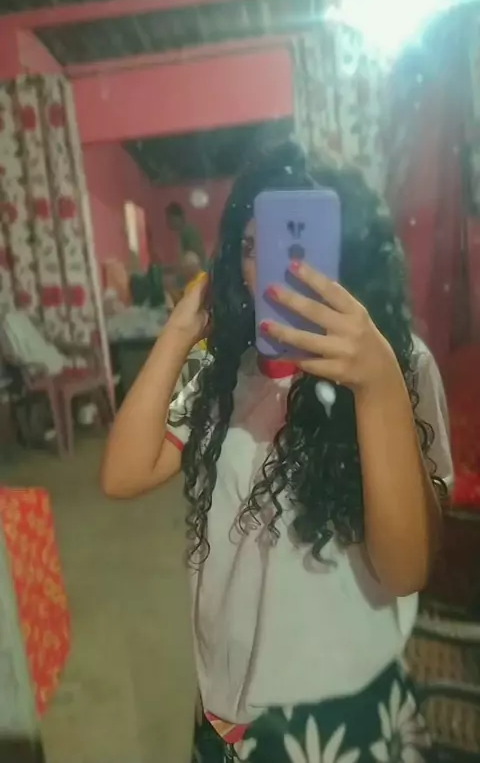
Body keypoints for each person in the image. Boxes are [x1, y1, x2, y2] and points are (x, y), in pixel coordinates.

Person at [101, 142, 452, 763]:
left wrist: (376, 384)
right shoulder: (221, 372)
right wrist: (183, 329)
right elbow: (122, 473)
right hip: (224, 708)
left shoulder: (399, 366)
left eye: (298, 244)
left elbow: (406, 569)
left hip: (336, 717)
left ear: (344, 253)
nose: (268, 267)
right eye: (249, 246)